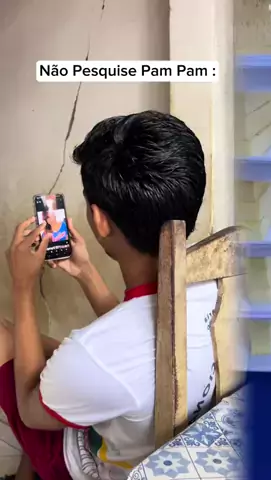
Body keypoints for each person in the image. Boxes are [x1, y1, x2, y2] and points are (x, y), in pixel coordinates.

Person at [3, 110, 216, 480]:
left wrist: (22, 287)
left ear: (100, 220)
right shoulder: (212, 285)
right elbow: (141, 337)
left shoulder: (95, 353)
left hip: (102, 464)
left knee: (4, 336)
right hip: (153, 430)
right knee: (38, 345)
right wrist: (86, 272)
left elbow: (28, 409)